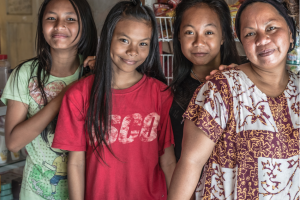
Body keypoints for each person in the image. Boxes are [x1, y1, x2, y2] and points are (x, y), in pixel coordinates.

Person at [167, 0, 299, 199]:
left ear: (291, 33)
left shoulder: (297, 87)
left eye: (271, 27)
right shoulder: (221, 89)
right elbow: (190, 163)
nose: (262, 39)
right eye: (250, 33)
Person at [52, 0, 176, 199]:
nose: (133, 51)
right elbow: (75, 162)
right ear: (109, 38)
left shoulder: (161, 94)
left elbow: (168, 161)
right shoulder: (78, 95)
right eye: (124, 40)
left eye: (143, 43)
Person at [0, 0, 97, 199]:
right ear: (41, 25)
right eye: (51, 18)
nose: (59, 25)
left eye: (70, 19)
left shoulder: (96, 73)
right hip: (36, 194)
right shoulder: (24, 74)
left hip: (89, 191)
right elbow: (13, 143)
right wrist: (65, 95)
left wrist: (106, 71)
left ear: (84, 25)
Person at [168, 0, 240, 163]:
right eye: (189, 32)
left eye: (208, 32)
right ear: (179, 36)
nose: (198, 42)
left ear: (223, 36)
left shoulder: (243, 80)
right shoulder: (172, 97)